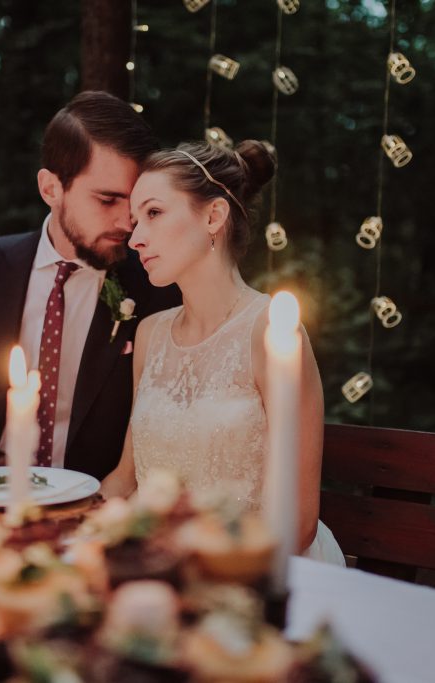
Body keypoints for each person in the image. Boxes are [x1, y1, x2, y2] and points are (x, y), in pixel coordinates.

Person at [0, 91, 180, 475]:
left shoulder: (155, 283)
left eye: (134, 203)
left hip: (94, 509)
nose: (128, 222)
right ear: (51, 188)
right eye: (107, 200)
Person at [101, 139, 344, 563]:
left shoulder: (273, 332)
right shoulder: (150, 335)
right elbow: (125, 480)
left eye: (154, 213)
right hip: (161, 565)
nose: (136, 238)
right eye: (135, 221)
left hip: (262, 569)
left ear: (214, 216)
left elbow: (299, 522)